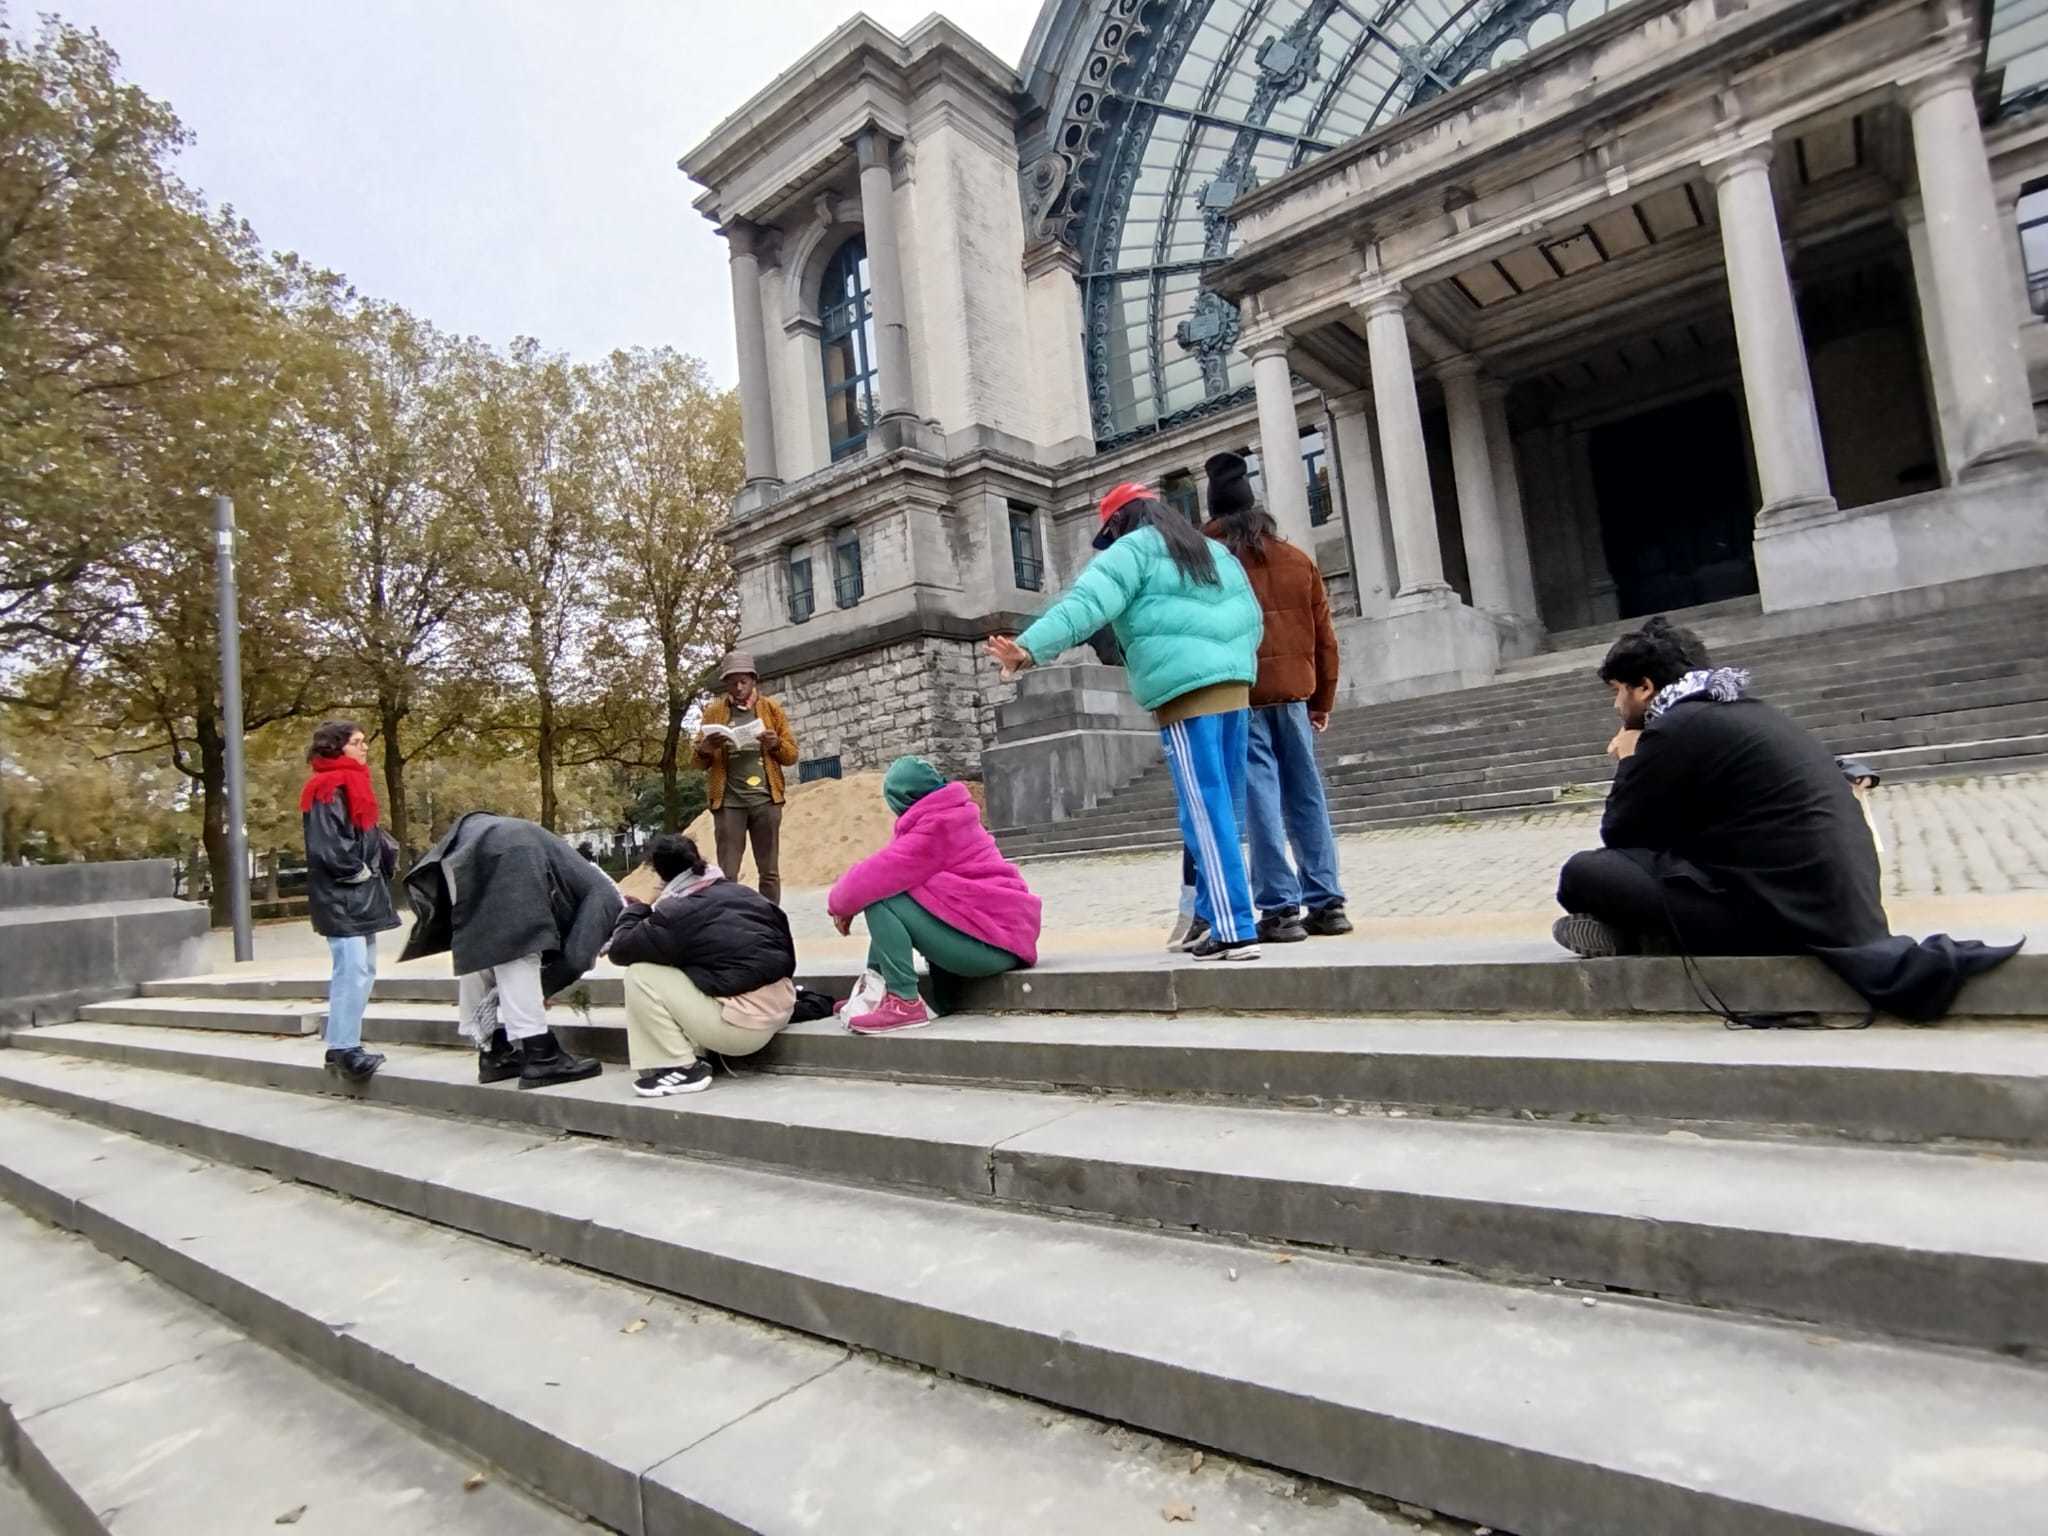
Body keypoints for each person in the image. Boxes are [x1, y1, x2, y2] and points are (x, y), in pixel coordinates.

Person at [1553, 617, 2021, 1020]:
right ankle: (1641, 932)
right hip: (1837, 910)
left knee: (1583, 874)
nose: (1616, 706)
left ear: (1644, 687)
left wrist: (1629, 759)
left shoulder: (1674, 728)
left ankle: (1637, 935)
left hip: (1783, 922)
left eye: (1618, 692)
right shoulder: (1745, 713)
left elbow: (1620, 835)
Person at [989, 483, 1265, 960]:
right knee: (1223, 808)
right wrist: (1231, 662)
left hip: (1187, 694)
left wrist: (1029, 648)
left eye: (1109, 533)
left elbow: (1085, 605)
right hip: (1235, 687)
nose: (1110, 543)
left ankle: (1234, 926)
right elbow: (1253, 618)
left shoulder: (1132, 551)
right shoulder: (1212, 551)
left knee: (1204, 809)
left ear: (1119, 522)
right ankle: (1208, 913)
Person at [1203, 451, 1352, 945]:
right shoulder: (1296, 559)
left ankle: (1280, 909)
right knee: (1307, 795)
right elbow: (1325, 639)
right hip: (1294, 697)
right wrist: (1322, 701)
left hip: (1240, 696)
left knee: (1261, 801)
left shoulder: (1208, 562)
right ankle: (1327, 903)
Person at [400, 813, 623, 1088]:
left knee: (479, 946)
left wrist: (536, 988)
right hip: (510, 848)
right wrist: (544, 987)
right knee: (520, 947)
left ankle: (493, 1053)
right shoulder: (610, 899)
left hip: (462, 843)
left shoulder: (577, 878)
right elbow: (577, 958)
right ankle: (542, 1057)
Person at [826, 756, 1042, 1033]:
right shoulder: (949, 816)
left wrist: (840, 906)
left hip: (995, 947)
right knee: (890, 890)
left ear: (900, 800)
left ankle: (904, 1002)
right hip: (1000, 938)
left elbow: (870, 878)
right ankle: (875, 993)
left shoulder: (936, 829)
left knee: (883, 900)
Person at [605, 833, 797, 1096]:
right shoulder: (745, 893)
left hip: (745, 1030)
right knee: (680, 964)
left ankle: (682, 1067)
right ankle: (695, 1050)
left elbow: (620, 950)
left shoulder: (675, 912)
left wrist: (639, 908)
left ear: (659, 874)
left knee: (640, 974)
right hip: (782, 1007)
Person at [300, 720, 399, 1083]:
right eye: (357, 742)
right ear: (336, 746)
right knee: (352, 970)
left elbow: (362, 835)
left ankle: (342, 1046)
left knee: (362, 970)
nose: (364, 747)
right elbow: (327, 845)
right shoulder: (326, 787)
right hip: (342, 896)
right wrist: (357, 870)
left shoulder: (351, 784)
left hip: (357, 895)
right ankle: (344, 1048)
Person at [694, 652, 799, 906]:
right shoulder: (714, 712)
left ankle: (770, 919)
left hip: (766, 800)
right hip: (729, 803)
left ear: (753, 680)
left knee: (769, 872)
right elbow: (696, 762)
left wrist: (775, 744)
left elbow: (791, 755)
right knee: (728, 873)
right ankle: (731, 920)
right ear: (725, 684)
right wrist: (706, 748)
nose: (739, 687)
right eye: (733, 683)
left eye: (743, 681)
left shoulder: (771, 709)